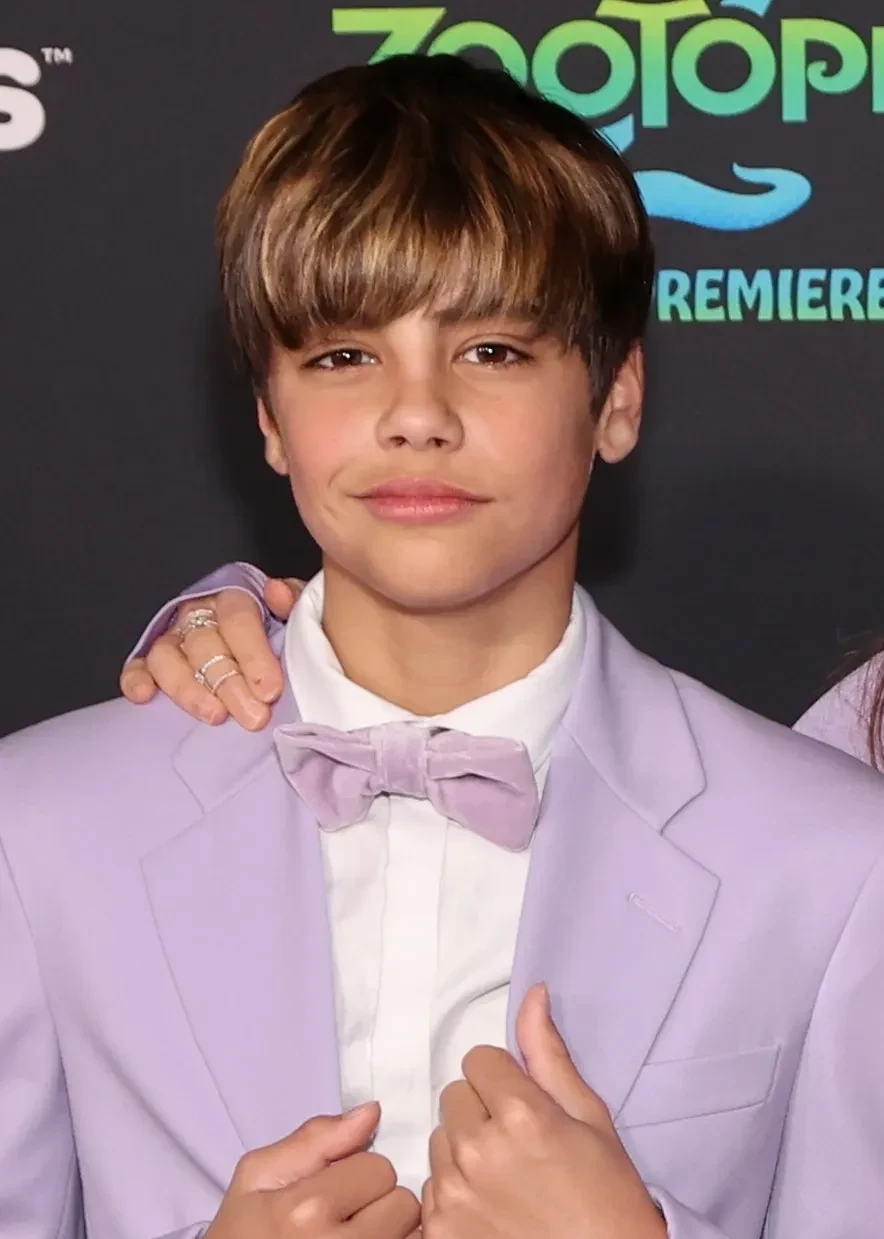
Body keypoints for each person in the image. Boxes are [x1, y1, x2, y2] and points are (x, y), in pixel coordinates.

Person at [4, 52, 884, 1239]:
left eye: (491, 351)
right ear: (269, 418)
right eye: (343, 357)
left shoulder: (831, 859)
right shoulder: (40, 831)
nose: (416, 415)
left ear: (616, 399)